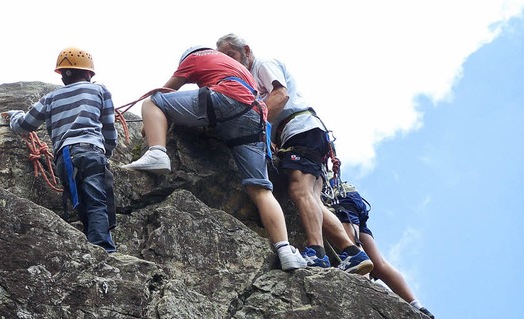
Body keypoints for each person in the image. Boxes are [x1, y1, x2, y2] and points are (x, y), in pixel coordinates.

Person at [121, 45, 308, 271]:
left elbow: (167, 91)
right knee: (260, 189)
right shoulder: (239, 68)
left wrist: (151, 125)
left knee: (152, 102)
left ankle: (157, 152)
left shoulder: (195, 57)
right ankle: (285, 250)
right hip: (254, 116)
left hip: (224, 100)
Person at [216, 33, 372, 274]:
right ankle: (352, 253)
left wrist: (249, 120)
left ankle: (317, 252)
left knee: (299, 190)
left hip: (300, 128)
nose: (232, 62)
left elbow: (280, 94)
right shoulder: (249, 76)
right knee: (312, 198)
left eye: (232, 55)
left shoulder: (262, 65)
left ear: (246, 50)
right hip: (303, 132)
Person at [4, 47, 117, 253]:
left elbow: (24, 125)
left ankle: (92, 247)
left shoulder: (51, 98)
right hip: (91, 151)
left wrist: (14, 114)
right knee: (97, 201)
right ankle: (103, 249)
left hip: (65, 158)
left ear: (63, 75)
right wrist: (107, 151)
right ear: (89, 73)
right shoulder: (100, 90)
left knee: (80, 202)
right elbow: (109, 127)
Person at [324, 180, 435, 319]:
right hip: (351, 197)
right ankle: (418, 307)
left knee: (354, 247)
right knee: (378, 264)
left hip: (339, 198)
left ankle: (362, 294)